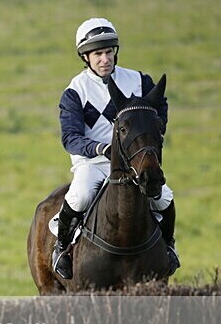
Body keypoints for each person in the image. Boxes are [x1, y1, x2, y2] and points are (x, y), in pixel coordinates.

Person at [52, 17, 180, 280]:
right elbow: (71, 138)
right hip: (93, 163)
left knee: (164, 197)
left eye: (109, 52)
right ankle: (62, 249)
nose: (105, 59)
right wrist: (100, 148)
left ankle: (168, 247)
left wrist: (154, 133)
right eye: (98, 54)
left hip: (132, 161)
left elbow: (160, 106)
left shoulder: (139, 81)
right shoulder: (75, 91)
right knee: (80, 195)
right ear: (86, 57)